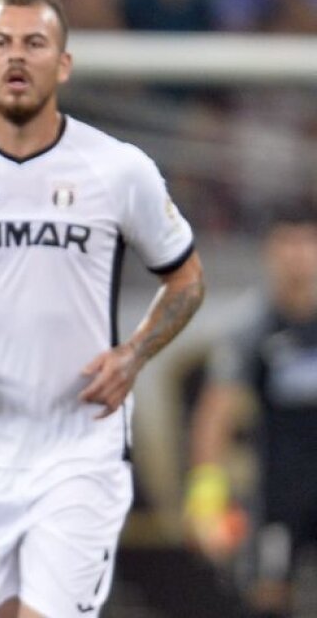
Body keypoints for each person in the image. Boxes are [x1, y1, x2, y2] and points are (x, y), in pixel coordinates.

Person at [0, 0, 205, 618]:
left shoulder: (118, 168)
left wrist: (134, 354)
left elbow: (186, 278)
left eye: (35, 42)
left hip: (78, 445)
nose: (17, 55)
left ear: (63, 63)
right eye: (1, 41)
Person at [187, 211, 317, 618]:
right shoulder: (251, 328)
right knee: (268, 595)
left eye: (306, 244)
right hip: (278, 491)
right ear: (270, 253)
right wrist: (207, 497)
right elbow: (215, 414)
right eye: (286, 244)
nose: (296, 256)